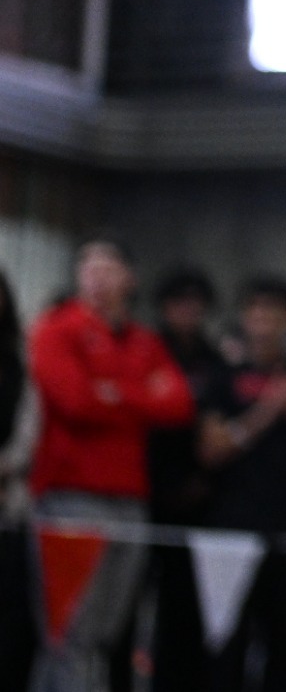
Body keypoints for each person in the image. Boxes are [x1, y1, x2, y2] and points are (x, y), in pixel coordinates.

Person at [29, 237, 194, 692]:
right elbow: (75, 402)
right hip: (71, 497)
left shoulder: (145, 341)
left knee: (104, 636)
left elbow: (178, 405)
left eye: (109, 267)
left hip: (130, 501)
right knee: (70, 635)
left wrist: (114, 391)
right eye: (89, 267)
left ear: (130, 278)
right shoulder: (57, 328)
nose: (98, 277)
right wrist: (140, 395)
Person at [197, 276, 286, 692]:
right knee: (226, 641)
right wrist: (263, 414)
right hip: (233, 528)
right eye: (256, 309)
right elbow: (211, 450)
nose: (264, 319)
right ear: (245, 316)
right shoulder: (223, 379)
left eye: (274, 310)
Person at [148, 266, 227, 692]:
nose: (187, 311)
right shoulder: (147, 349)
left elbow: (216, 428)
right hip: (145, 489)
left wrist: (201, 479)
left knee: (185, 610)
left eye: (196, 303)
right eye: (179, 302)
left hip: (195, 495)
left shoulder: (213, 362)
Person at [1, 268, 40, 692]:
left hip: (10, 499)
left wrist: (7, 468)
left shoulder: (18, 360)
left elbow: (31, 426)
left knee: (13, 614)